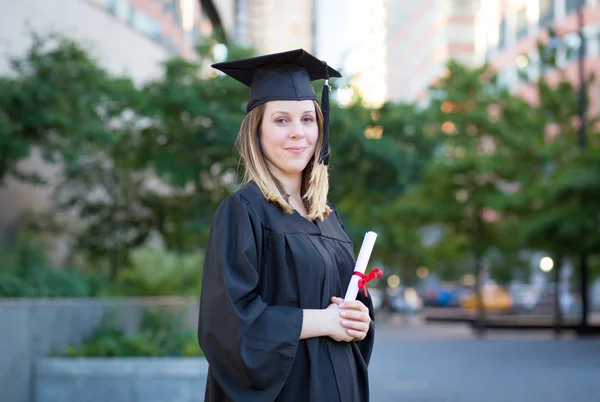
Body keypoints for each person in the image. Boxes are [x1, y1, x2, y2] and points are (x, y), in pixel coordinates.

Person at [197, 49, 375, 402]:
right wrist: (324, 322)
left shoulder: (328, 217)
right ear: (257, 132)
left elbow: (351, 310)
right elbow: (229, 325)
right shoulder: (243, 213)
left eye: (308, 119)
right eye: (281, 120)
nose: (298, 133)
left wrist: (360, 322)